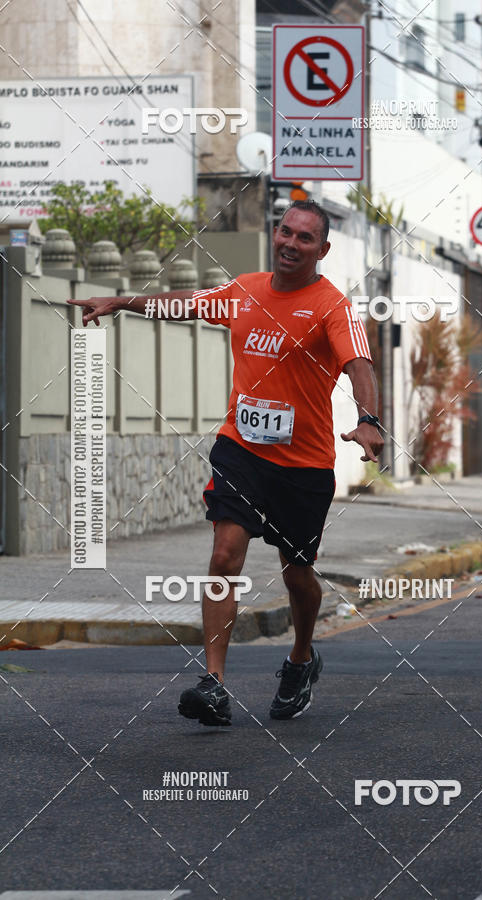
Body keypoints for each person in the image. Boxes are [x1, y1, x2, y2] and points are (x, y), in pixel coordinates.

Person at [68, 199, 383, 726]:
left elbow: (359, 365)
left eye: (305, 238)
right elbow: (186, 303)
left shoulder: (332, 307)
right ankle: (213, 682)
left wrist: (369, 419)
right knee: (224, 554)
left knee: (297, 573)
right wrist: (121, 301)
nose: (291, 243)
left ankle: (301, 657)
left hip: (303, 465)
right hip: (241, 450)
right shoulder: (245, 290)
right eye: (285, 231)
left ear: (323, 250)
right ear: (275, 233)